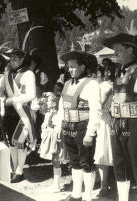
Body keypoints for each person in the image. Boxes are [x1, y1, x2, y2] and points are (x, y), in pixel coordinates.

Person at [56, 51, 101, 201]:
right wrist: (58, 126)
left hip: (83, 127)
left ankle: (88, 197)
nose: (70, 70)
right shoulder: (67, 84)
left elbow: (96, 110)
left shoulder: (92, 83)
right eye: (69, 67)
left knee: (86, 163)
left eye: (74, 67)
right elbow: (62, 107)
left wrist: (91, 133)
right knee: (74, 163)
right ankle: (76, 195)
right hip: (68, 127)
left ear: (83, 67)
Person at [102, 33, 137, 201]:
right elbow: (113, 95)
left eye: (118, 50)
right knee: (119, 162)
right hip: (117, 123)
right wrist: (106, 113)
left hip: (134, 124)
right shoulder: (117, 71)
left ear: (130, 50)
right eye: (114, 51)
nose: (115, 54)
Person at [2, 48, 36, 183]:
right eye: (11, 59)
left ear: (22, 59)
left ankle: (20, 171)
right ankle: (13, 169)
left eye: (16, 59)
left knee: (21, 142)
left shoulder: (29, 74)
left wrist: (13, 100)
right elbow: (1, 93)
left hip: (23, 112)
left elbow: (31, 95)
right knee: (11, 142)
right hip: (10, 112)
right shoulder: (8, 74)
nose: (13, 61)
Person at [38, 91, 67, 193]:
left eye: (48, 101)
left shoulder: (57, 114)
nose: (46, 102)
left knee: (56, 160)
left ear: (54, 103)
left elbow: (59, 125)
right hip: (50, 138)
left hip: (56, 140)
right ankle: (56, 184)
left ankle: (57, 185)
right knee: (54, 161)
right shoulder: (48, 113)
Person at [93, 63, 115, 198]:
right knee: (97, 152)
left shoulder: (105, 86)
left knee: (103, 153)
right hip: (96, 119)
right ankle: (99, 181)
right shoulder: (100, 86)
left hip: (103, 120)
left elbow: (99, 103)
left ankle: (104, 185)